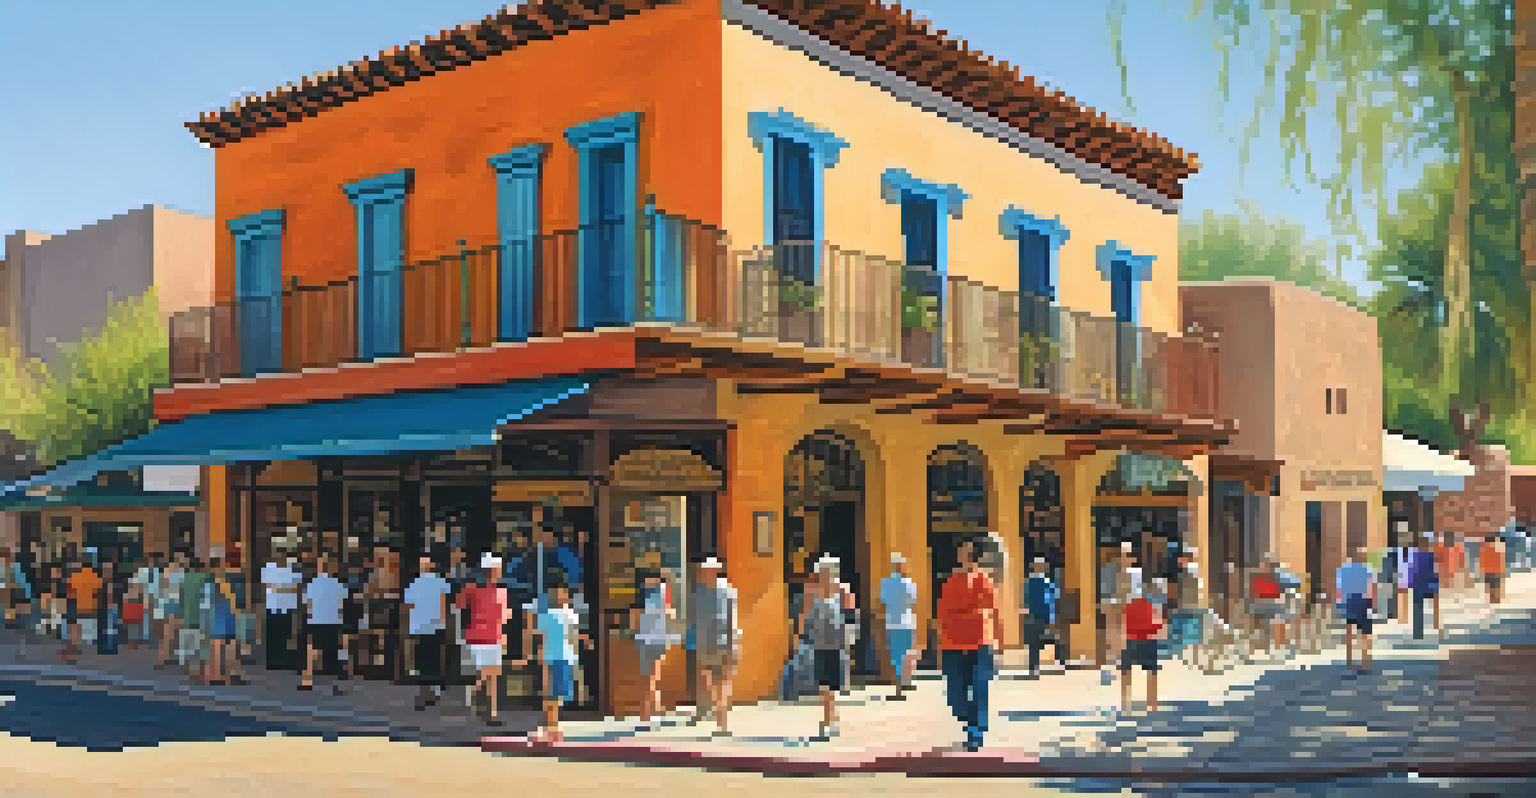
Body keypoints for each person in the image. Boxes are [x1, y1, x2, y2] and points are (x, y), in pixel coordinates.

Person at [936, 538, 1000, 752]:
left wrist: (999, 642)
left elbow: (995, 612)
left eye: (967, 552)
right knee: (955, 693)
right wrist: (940, 643)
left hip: (980, 642)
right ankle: (968, 718)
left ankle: (976, 732)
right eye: (961, 551)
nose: (963, 555)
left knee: (980, 687)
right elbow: (941, 615)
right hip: (953, 643)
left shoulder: (985, 580)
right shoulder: (950, 581)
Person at [517, 579, 586, 742]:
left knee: (556, 695)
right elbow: (540, 637)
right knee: (551, 695)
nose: (559, 596)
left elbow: (573, 638)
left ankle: (552, 728)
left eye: (562, 593)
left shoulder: (569, 614)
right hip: (552, 658)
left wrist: (575, 660)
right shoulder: (547, 615)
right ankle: (551, 728)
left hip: (565, 658)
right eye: (556, 593)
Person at [796, 556, 849, 740]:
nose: (826, 576)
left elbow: (850, 616)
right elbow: (802, 616)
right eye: (823, 572)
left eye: (829, 572)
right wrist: (799, 637)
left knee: (832, 687)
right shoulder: (811, 592)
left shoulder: (842, 590)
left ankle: (830, 720)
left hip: (836, 643)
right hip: (819, 643)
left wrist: (850, 641)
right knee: (824, 686)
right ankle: (828, 721)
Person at [458, 553, 512, 724]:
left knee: (492, 677)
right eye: (492, 570)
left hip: (494, 637)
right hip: (477, 637)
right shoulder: (473, 588)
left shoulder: (502, 591)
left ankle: (491, 713)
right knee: (481, 675)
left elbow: (504, 617)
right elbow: (459, 606)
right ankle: (477, 702)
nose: (494, 574)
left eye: (496, 571)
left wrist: (503, 635)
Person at [689, 556, 740, 735]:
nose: (706, 573)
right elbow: (694, 619)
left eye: (710, 570)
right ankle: (711, 716)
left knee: (722, 685)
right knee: (711, 685)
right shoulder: (699, 593)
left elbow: (732, 621)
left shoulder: (727, 591)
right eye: (704, 571)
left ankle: (722, 725)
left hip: (723, 643)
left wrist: (732, 646)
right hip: (705, 645)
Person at [403, 551, 452, 710]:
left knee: (424, 661)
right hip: (431, 626)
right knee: (432, 660)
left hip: (422, 626)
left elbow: (409, 607)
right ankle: (430, 691)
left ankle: (426, 692)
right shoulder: (439, 582)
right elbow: (444, 604)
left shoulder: (415, 584)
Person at [630, 568, 675, 724]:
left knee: (649, 678)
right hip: (657, 638)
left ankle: (647, 714)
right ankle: (652, 712)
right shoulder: (663, 592)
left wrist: (635, 634)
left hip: (648, 639)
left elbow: (634, 617)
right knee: (653, 677)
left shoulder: (643, 594)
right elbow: (670, 615)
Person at [301, 552, 348, 694]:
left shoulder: (312, 584)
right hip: (333, 621)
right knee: (332, 653)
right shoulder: (339, 584)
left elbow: (307, 604)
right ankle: (334, 685)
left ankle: (308, 680)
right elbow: (342, 605)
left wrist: (310, 616)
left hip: (316, 620)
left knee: (313, 649)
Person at [880, 553, 919, 695]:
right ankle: (907, 681)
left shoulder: (885, 584)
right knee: (907, 652)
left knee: (896, 655)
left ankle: (898, 686)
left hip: (892, 623)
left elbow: (883, 604)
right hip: (907, 622)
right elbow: (913, 604)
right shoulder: (909, 584)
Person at [261, 550, 303, 672]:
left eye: (283, 556)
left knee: (285, 635)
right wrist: (286, 588)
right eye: (279, 556)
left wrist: (279, 588)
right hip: (272, 607)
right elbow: (268, 585)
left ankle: (283, 660)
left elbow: (296, 588)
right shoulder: (269, 568)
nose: (281, 558)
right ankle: (271, 661)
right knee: (272, 635)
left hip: (287, 607)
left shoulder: (292, 570)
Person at [1335, 547, 1375, 673]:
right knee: (1365, 634)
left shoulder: (1343, 570)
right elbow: (1372, 588)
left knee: (1349, 632)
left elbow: (1339, 587)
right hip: (1363, 601)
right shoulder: (1368, 570)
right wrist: (1373, 604)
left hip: (1349, 601)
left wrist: (1339, 603)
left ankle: (1349, 661)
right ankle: (1365, 662)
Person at [1020, 557, 1060, 678]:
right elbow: (1026, 598)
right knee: (1033, 643)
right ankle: (1033, 668)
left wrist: (1053, 617)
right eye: (1038, 565)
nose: (1040, 567)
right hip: (1033, 616)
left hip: (1045, 616)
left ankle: (1058, 663)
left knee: (1049, 640)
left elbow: (1052, 600)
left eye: (1042, 565)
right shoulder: (1030, 582)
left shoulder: (1049, 581)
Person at [205, 557, 241, 685]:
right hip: (220, 614)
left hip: (223, 614)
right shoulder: (216, 582)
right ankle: (218, 675)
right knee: (219, 645)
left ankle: (228, 674)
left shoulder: (218, 581)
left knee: (226, 644)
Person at [178, 557, 211, 680]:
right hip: (201, 615)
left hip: (187, 615)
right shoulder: (205, 578)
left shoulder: (184, 579)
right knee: (201, 645)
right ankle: (200, 670)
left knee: (189, 645)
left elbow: (180, 598)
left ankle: (190, 670)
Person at [67, 556, 104, 662]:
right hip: (92, 607)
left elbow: (70, 593)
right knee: (90, 632)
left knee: (75, 627)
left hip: (78, 606)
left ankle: (75, 647)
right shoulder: (95, 577)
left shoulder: (75, 576)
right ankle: (90, 653)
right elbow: (99, 593)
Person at [1248, 558, 1286, 656]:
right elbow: (1254, 594)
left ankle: (1275, 645)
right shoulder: (1259, 579)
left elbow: (1277, 593)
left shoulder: (1274, 579)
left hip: (1270, 604)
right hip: (1263, 605)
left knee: (1274, 623)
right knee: (1262, 626)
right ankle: (1262, 645)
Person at [1409, 534, 1440, 641]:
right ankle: (1436, 624)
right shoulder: (1431, 556)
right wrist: (1436, 582)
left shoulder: (1414, 556)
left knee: (1417, 609)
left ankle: (1418, 633)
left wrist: (1409, 583)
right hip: (1428, 583)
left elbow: (1411, 571)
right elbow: (1434, 571)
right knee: (1435, 604)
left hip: (1418, 585)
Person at [156, 553, 185, 669]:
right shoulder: (180, 571)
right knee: (170, 633)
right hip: (174, 603)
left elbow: (162, 587)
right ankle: (163, 659)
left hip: (165, 603)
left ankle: (165, 657)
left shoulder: (166, 570)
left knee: (169, 633)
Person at [1482, 536, 1507, 605]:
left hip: (1491, 570)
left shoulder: (1486, 548)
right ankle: (1495, 599)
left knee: (1492, 585)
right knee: (1495, 584)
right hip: (1494, 570)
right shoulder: (1497, 548)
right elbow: (1501, 559)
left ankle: (1494, 599)